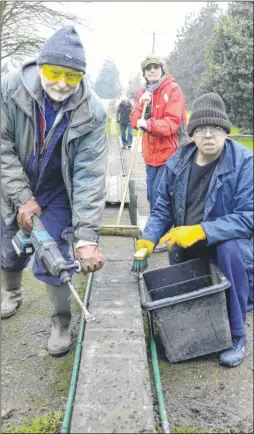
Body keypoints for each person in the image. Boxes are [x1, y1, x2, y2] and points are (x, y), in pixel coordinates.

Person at [1, 26, 108, 357]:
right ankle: (13, 294)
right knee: (9, 245)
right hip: (16, 180)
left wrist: (87, 238)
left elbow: (89, 175)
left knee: (53, 255)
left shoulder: (93, 111)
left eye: (72, 76)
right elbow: (2, 146)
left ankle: (61, 321)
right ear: (42, 66)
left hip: (59, 189)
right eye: (54, 72)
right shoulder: (11, 89)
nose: (62, 83)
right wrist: (21, 198)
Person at [135, 92, 253, 367]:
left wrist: (202, 230)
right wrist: (148, 240)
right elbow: (162, 209)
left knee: (229, 247)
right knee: (189, 295)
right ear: (192, 134)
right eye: (200, 129)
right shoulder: (177, 162)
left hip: (232, 247)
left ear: (225, 131)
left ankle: (237, 334)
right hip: (189, 245)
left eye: (215, 129)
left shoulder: (244, 163)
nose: (208, 136)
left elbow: (249, 217)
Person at [130, 55, 188, 251]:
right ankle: (159, 232)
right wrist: (141, 105)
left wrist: (149, 124)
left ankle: (162, 236)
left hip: (171, 153)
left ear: (162, 69)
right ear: (144, 73)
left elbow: (172, 122)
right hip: (150, 156)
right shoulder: (143, 93)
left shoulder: (173, 90)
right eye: (148, 68)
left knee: (161, 196)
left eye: (155, 67)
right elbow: (134, 120)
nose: (152, 70)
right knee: (151, 194)